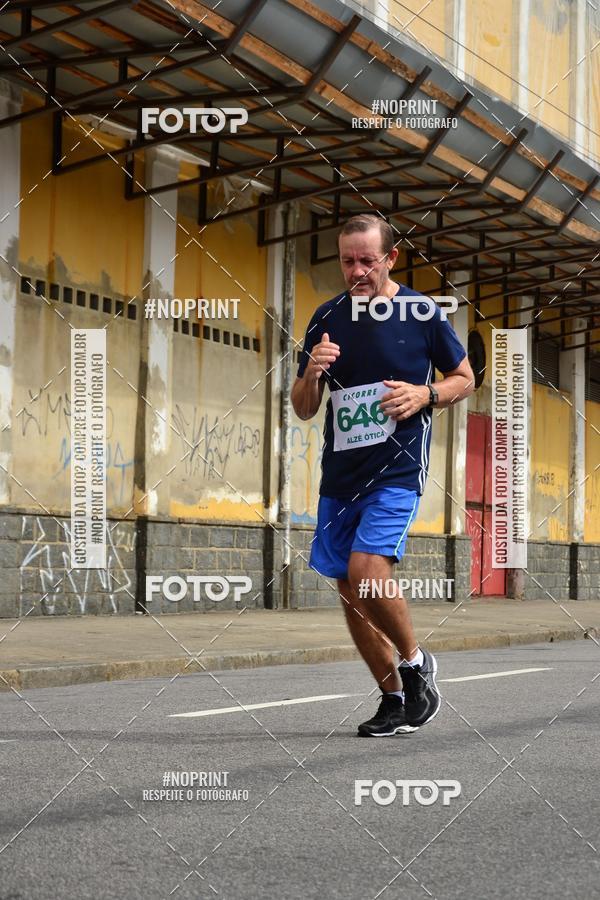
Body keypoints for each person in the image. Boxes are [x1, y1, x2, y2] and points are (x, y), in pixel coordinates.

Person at [291, 213, 474, 737]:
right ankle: (394, 697)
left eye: (367, 261)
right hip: (340, 474)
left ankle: (417, 663)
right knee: (350, 588)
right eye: (348, 261)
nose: (356, 271)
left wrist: (426, 394)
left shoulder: (420, 312)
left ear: (391, 258)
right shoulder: (326, 317)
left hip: (397, 466)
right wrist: (311, 372)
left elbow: (465, 378)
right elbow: (304, 408)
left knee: (368, 568)